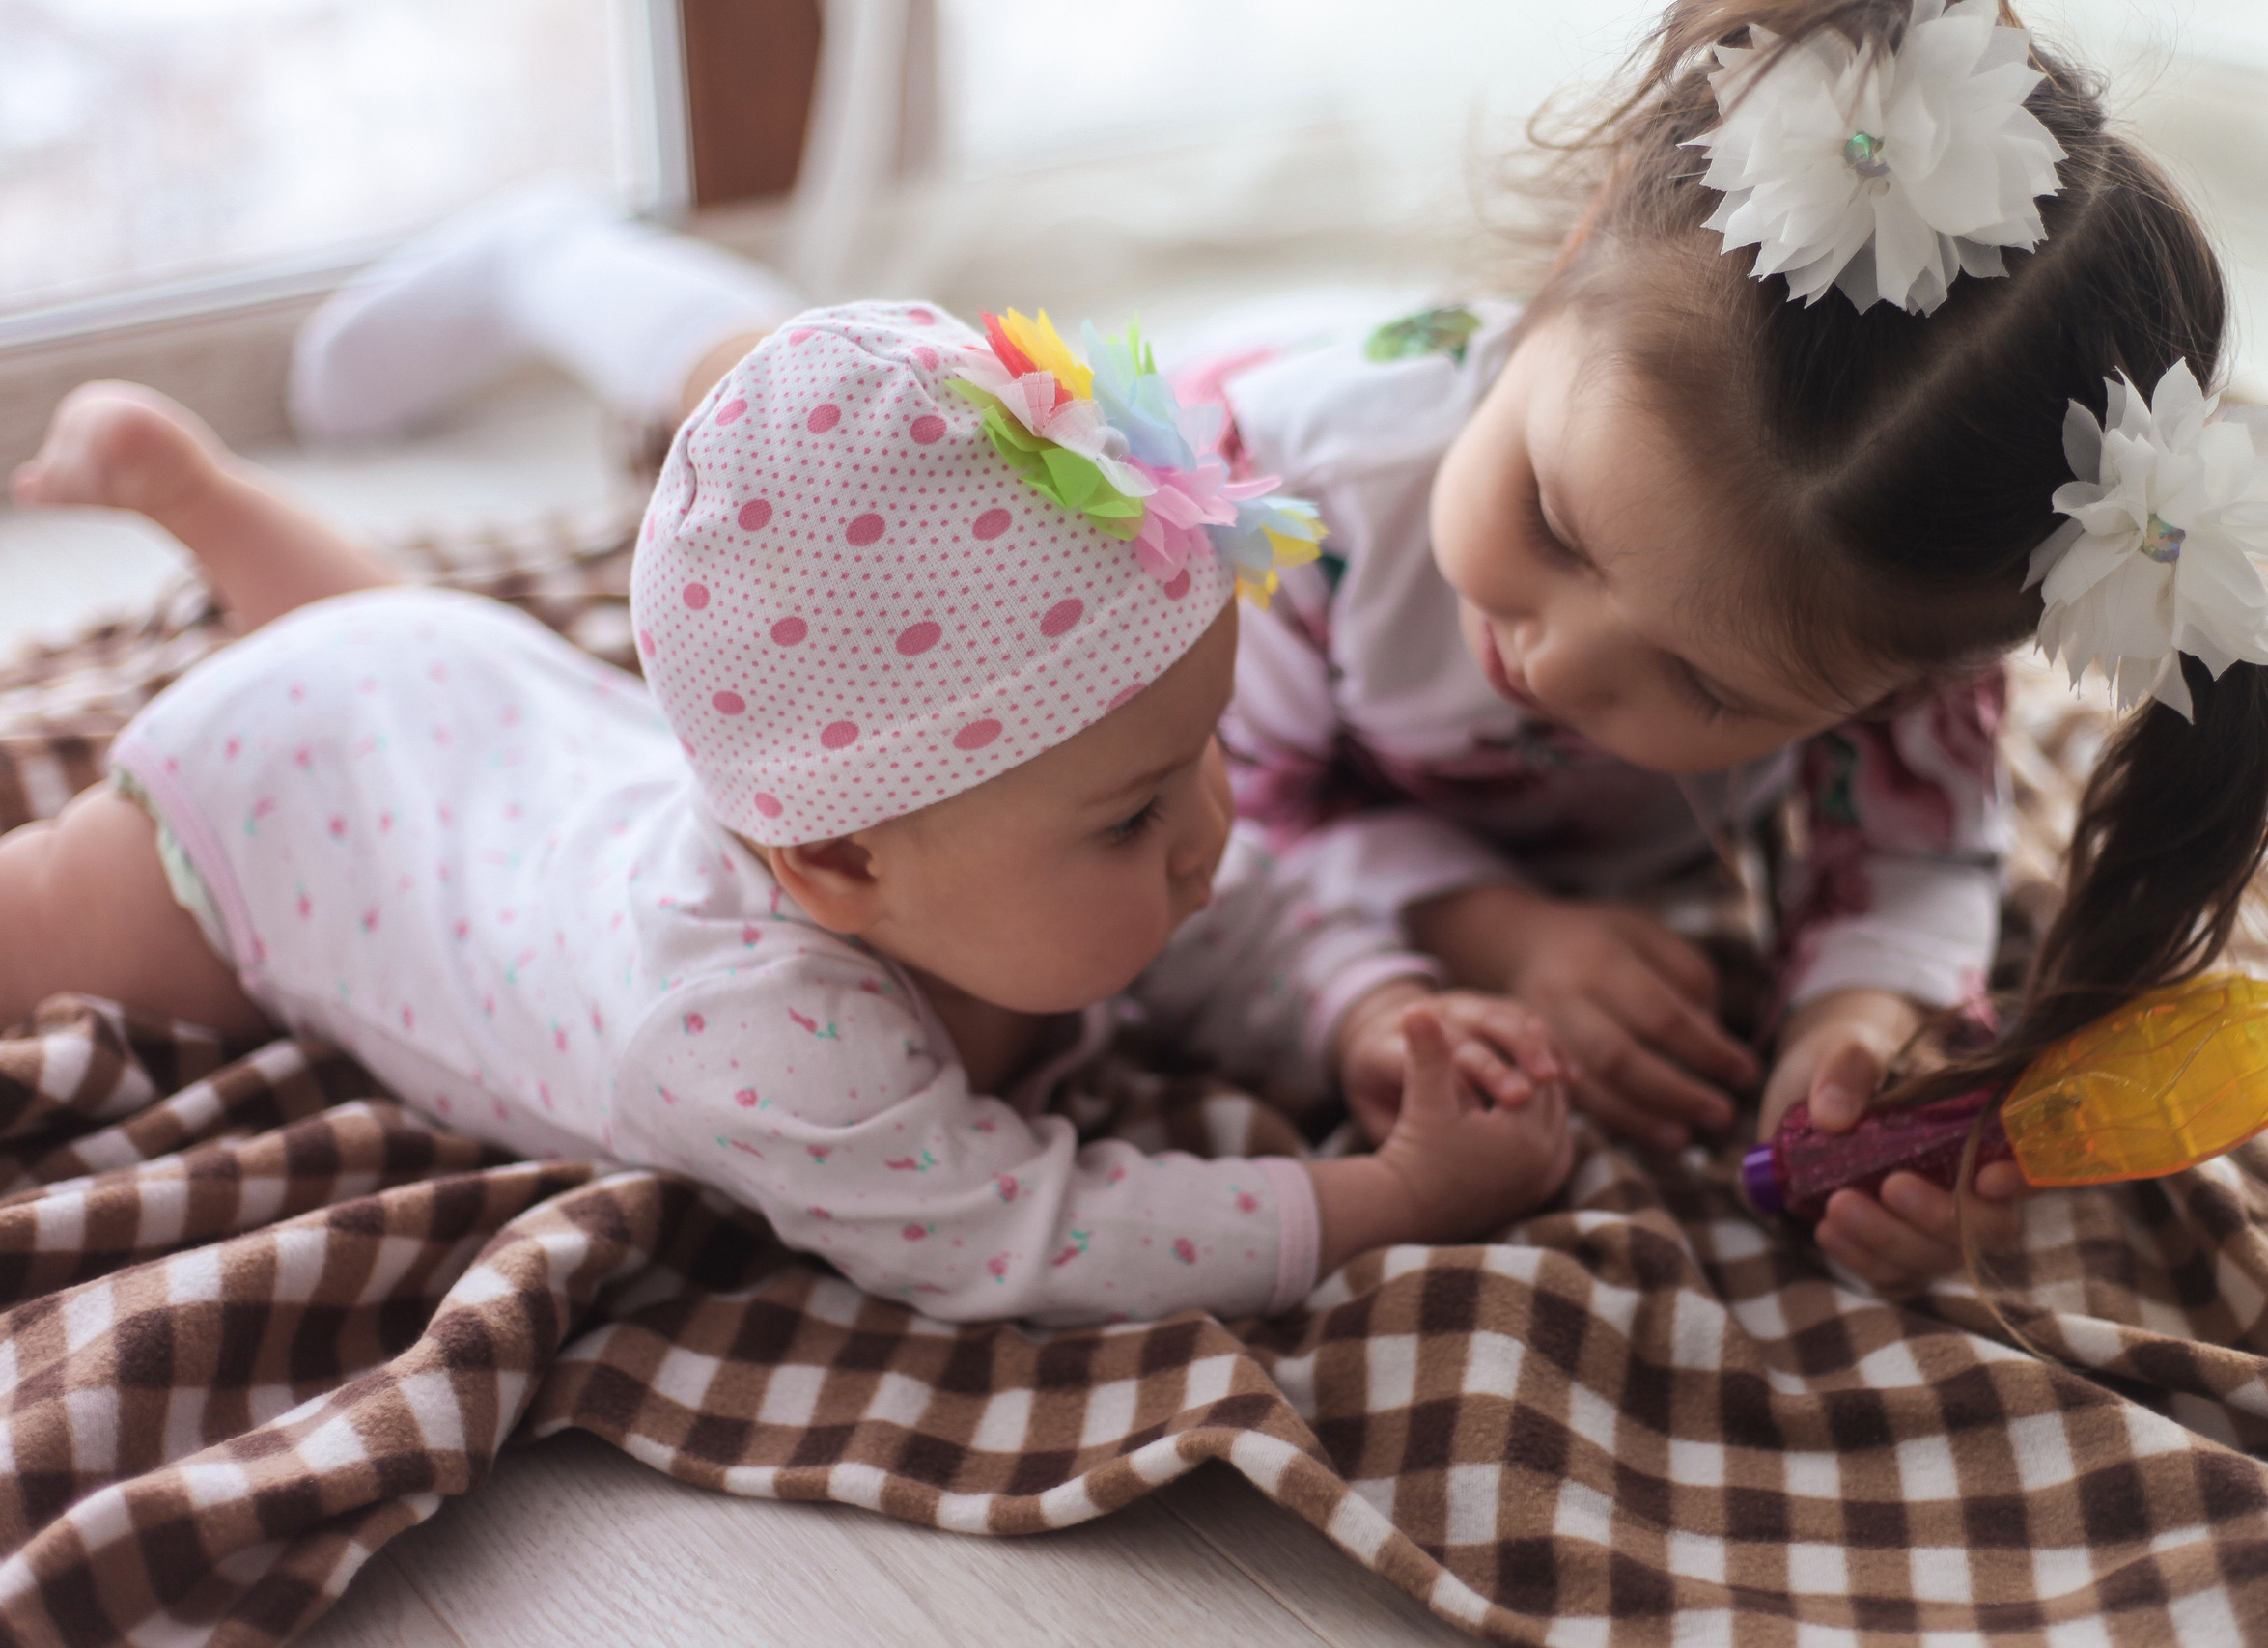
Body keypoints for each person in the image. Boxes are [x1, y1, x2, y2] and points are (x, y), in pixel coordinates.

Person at [0, 302, 1577, 1327]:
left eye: (1206, 751)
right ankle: (208, 511)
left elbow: (1223, 925)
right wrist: (1392, 1200)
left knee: (423, 663)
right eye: (1132, 818)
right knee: (48, 922)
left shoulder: (995, 838)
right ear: (832, 861)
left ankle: (199, 497)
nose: (1206, 834)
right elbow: (1030, 1240)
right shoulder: (750, 1034)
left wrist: (1367, 1012)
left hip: (465, 685)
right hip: (271, 804)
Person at [1195, 0, 2268, 1292]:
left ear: (1918, 680)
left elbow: (1912, 858)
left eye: (1703, 683)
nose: (1557, 663)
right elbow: (1213, 810)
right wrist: (1489, 929)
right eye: (1555, 527)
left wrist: (1855, 1033)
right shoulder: (1288, 494)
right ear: (1578, 250)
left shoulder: (1877, 607)